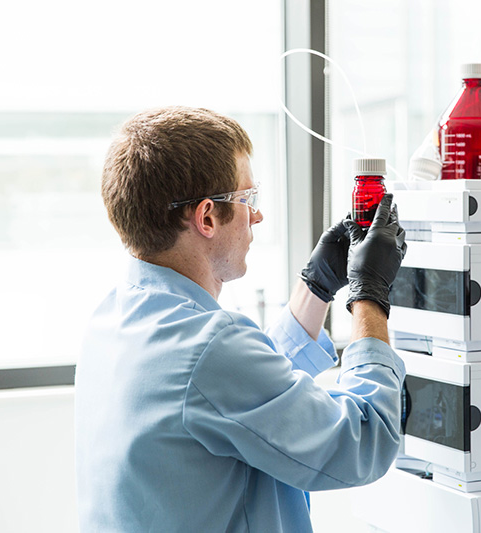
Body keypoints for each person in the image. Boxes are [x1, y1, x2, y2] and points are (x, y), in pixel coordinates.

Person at [74, 106, 407, 532]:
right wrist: (370, 295)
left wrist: (316, 287)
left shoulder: (112, 320)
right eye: (248, 199)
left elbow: (249, 394)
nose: (257, 215)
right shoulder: (210, 347)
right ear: (207, 217)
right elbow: (363, 442)